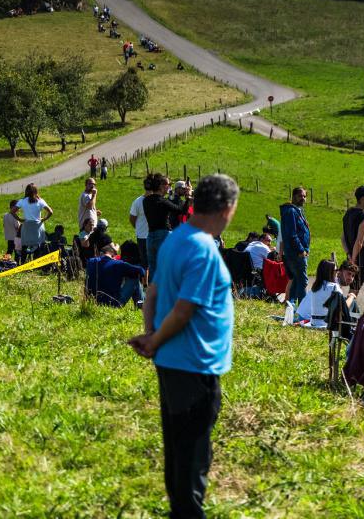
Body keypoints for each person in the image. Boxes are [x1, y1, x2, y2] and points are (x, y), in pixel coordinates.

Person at [128, 174, 239, 519]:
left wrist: (151, 335)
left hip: (171, 360)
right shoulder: (203, 249)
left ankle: (179, 509)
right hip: (195, 363)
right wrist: (155, 339)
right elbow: (183, 310)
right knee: (193, 455)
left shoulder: (176, 238)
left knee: (178, 448)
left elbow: (153, 292)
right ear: (226, 208)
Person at [144, 175, 185, 276]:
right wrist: (188, 198)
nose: (170, 187)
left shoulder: (146, 201)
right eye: (168, 184)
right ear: (161, 186)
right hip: (163, 235)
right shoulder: (163, 201)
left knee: (153, 269)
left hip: (150, 236)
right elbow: (180, 210)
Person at [86, 243, 146, 307]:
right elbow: (141, 270)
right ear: (114, 255)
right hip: (113, 303)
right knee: (134, 278)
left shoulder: (90, 262)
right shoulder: (118, 264)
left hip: (91, 301)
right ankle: (141, 304)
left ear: (100, 254)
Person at [295, 259, 344, 328]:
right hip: (326, 324)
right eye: (336, 270)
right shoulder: (334, 287)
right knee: (351, 301)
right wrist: (352, 296)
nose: (337, 272)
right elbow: (343, 308)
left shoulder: (315, 287)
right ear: (330, 272)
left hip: (314, 323)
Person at [13, 183, 53, 259]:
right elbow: (50, 212)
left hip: (27, 227)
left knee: (24, 246)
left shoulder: (22, 201)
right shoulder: (40, 201)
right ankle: (36, 261)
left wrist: (20, 219)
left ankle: (23, 262)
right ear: (36, 191)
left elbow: (12, 211)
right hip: (37, 228)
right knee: (38, 246)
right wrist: (44, 219)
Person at [130, 176, 153, 273]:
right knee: (147, 262)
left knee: (146, 262)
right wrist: (138, 228)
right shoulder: (138, 201)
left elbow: (132, 218)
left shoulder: (138, 201)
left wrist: (138, 228)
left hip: (145, 235)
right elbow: (132, 218)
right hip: (144, 235)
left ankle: (147, 280)